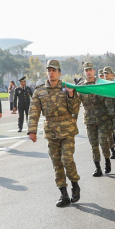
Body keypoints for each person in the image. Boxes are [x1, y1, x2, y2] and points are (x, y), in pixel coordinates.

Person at [28, 60, 81, 207]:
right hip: (51, 131)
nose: (51, 72)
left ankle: (75, 184)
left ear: (59, 73)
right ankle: (63, 194)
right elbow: (33, 112)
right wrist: (32, 130)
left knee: (66, 159)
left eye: (54, 70)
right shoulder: (39, 91)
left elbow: (75, 109)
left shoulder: (67, 88)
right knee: (56, 163)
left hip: (67, 130)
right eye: (49, 70)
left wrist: (71, 96)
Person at [78, 62, 112, 176]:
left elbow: (109, 97)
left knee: (103, 142)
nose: (88, 72)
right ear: (84, 72)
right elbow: (76, 103)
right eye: (86, 70)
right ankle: (98, 168)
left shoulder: (100, 84)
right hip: (89, 119)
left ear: (94, 71)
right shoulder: (81, 87)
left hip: (102, 118)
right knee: (93, 145)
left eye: (90, 70)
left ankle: (107, 160)